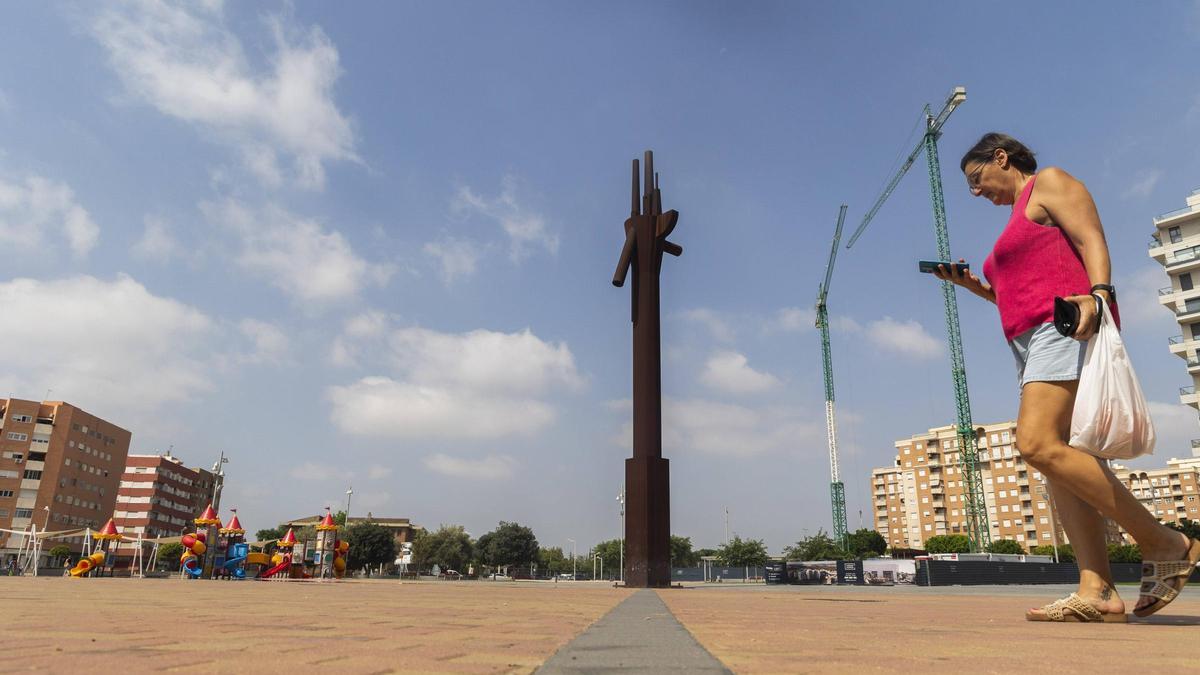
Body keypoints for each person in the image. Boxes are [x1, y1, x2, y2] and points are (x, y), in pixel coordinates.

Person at [936, 132, 1200, 622]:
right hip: (1029, 337)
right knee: (1060, 460)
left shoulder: (1049, 183)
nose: (975, 192)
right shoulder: (1015, 218)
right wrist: (975, 287)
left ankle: (1166, 543)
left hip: (1064, 325)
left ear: (1001, 157)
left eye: (977, 179)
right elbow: (1018, 296)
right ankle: (1097, 590)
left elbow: (1090, 238)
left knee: (1036, 444)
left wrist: (1097, 295)